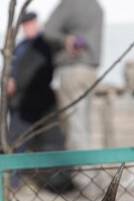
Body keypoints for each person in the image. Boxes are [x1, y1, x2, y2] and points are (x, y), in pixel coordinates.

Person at [7, 11, 75, 193]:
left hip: (40, 100)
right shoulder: (21, 46)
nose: (29, 28)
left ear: (36, 24)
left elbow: (36, 72)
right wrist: (7, 80)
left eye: (31, 24)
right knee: (16, 141)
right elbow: (9, 69)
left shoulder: (44, 44)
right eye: (25, 25)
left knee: (52, 142)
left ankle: (60, 181)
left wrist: (17, 82)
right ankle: (13, 181)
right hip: (21, 102)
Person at [43, 0, 104, 153]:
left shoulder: (69, 4)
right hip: (90, 69)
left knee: (75, 126)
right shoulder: (96, 6)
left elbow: (48, 30)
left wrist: (65, 40)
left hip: (71, 69)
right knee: (86, 125)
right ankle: (93, 170)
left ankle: (83, 173)